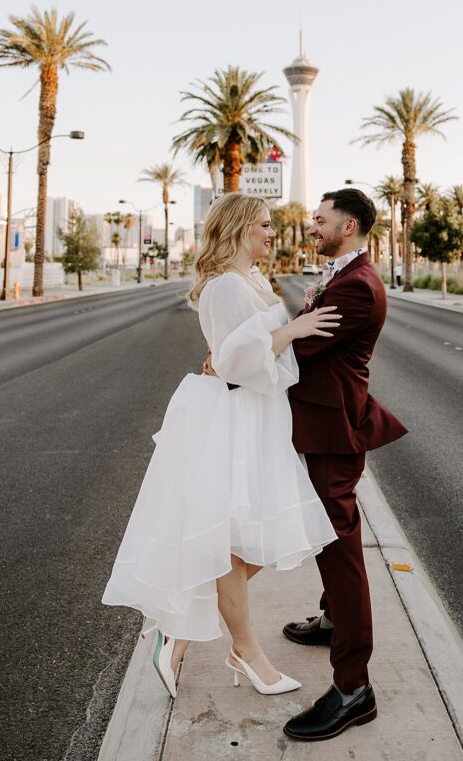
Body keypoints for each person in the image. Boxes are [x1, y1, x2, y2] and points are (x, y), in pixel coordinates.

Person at [102, 193, 338, 698]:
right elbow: (233, 361)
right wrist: (293, 328)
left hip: (255, 414)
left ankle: (181, 628)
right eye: (265, 225)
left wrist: (283, 336)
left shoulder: (248, 279)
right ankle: (245, 650)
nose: (272, 233)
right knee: (237, 540)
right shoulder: (228, 284)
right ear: (238, 229)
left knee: (254, 539)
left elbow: (236, 351)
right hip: (234, 417)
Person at [281, 188, 408, 742]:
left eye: (320, 217)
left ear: (349, 225)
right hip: (326, 420)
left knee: (340, 547)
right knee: (331, 538)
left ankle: (354, 687)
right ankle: (333, 617)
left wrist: (244, 347)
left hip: (335, 430)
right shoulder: (344, 275)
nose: (312, 224)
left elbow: (299, 350)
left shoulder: (356, 287)